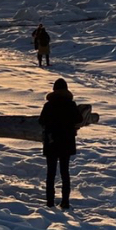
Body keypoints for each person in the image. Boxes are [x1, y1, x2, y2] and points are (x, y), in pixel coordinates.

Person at [39, 77, 81, 208]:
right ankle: (65, 202)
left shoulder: (49, 105)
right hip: (66, 142)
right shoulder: (70, 104)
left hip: (51, 141)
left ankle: (50, 201)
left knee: (50, 173)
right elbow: (78, 119)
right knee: (65, 172)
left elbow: (41, 121)